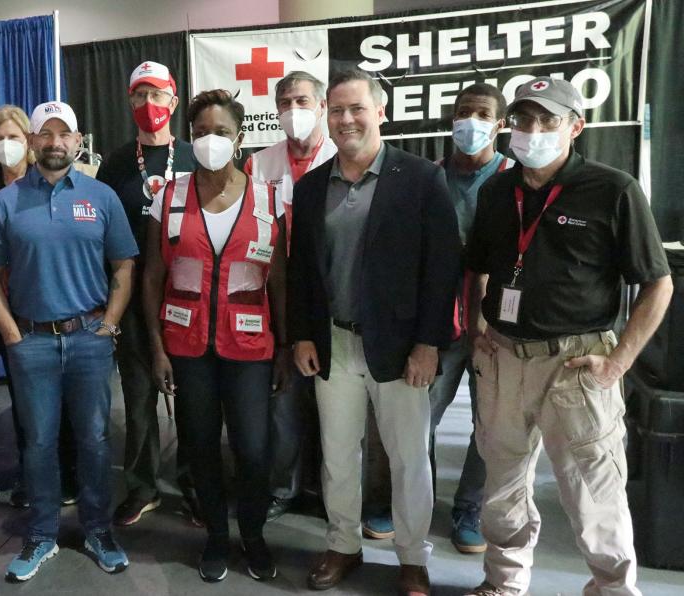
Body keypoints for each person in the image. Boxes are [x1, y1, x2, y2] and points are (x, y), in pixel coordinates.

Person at [463, 77, 672, 596]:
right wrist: (477, 327)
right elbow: (480, 269)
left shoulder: (612, 188)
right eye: (523, 120)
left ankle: (613, 588)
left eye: (547, 121)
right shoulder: (497, 190)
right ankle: (504, 582)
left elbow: (657, 283)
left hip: (577, 364)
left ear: (575, 127)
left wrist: (619, 362)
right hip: (504, 360)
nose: (532, 131)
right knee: (502, 486)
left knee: (594, 493)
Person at [288, 70, 460, 596]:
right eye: (336, 110)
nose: (345, 120)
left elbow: (443, 268)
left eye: (356, 108)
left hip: (402, 346)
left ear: (381, 112)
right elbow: (301, 271)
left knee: (408, 458)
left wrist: (429, 344)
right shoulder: (312, 185)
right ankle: (342, 545)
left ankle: (412, 558)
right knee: (337, 455)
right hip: (333, 343)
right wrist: (303, 335)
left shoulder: (421, 178)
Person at [0, 101, 137, 582]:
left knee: (93, 439)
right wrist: (9, 333)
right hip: (32, 343)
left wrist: (109, 324)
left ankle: (97, 529)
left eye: (63, 134)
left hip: (90, 338)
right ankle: (42, 534)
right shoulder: (5, 203)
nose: (54, 142)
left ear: (78, 139)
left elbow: (124, 267)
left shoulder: (101, 196)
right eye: (44, 134)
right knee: (40, 443)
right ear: (31, 142)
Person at [143, 89, 289, 583]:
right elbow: (151, 277)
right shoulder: (169, 197)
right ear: (189, 138)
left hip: (250, 348)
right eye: (201, 132)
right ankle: (215, 538)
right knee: (200, 445)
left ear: (240, 138)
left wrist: (286, 347)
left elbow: (281, 281)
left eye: (221, 132)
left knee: (252, 447)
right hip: (187, 348)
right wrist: (158, 348)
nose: (210, 140)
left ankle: (252, 534)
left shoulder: (269, 198)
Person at [362, 83, 513, 553]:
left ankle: (469, 507)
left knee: (489, 424)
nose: (471, 122)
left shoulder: (514, 178)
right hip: (438, 321)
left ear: (500, 124)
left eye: (482, 114)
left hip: (494, 327)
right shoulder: (426, 176)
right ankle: (408, 501)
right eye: (463, 112)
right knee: (416, 420)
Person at [96, 60, 200, 527]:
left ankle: (196, 485)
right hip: (134, 301)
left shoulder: (199, 156)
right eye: (139, 96)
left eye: (157, 95)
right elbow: (99, 233)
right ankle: (143, 487)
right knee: (139, 403)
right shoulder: (115, 164)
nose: (149, 105)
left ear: (173, 102)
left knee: (194, 399)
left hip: (189, 299)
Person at [244, 70, 337, 521]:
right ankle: (283, 486)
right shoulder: (260, 163)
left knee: (335, 403)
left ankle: (326, 490)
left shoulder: (343, 154)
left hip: (332, 295)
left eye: (302, 100)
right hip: (278, 296)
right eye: (284, 103)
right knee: (283, 401)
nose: (292, 111)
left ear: (321, 106)